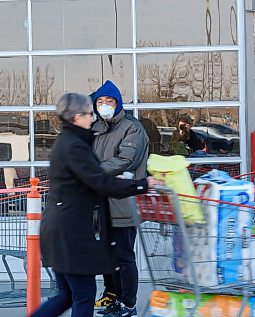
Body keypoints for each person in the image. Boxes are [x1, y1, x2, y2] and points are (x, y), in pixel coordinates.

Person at [31, 93, 156, 317]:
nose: (93, 117)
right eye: (90, 113)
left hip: (61, 231)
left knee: (68, 295)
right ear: (77, 116)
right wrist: (141, 185)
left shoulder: (69, 142)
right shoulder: (74, 146)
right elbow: (101, 182)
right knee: (83, 295)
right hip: (71, 234)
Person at [91, 80, 149, 317]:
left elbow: (126, 160)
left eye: (109, 101)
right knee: (107, 256)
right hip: (101, 203)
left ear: (118, 103)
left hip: (124, 203)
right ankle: (112, 297)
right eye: (100, 102)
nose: (104, 105)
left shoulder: (131, 128)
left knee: (124, 257)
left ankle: (129, 304)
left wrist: (92, 171)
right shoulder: (98, 128)